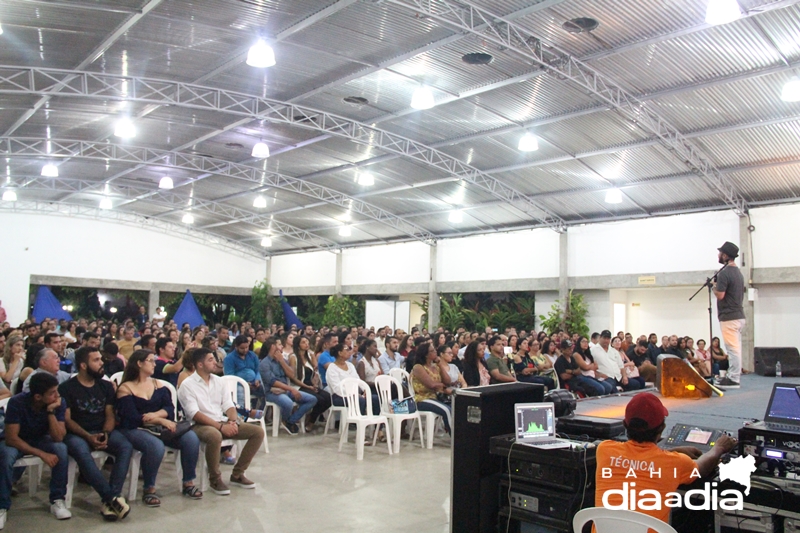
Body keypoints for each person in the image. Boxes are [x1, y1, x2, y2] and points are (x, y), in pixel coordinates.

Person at [595, 393, 737, 526]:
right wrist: (718, 448)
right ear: (661, 428)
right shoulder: (675, 463)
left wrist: (672, 451)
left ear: (625, 424)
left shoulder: (604, 450)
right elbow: (702, 468)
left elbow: (638, 459)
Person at [117, 350, 203, 505]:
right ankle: (149, 488)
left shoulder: (158, 384)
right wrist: (161, 421)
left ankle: (188, 482)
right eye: (150, 361)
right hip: (135, 429)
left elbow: (169, 408)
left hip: (159, 426)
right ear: (139, 363)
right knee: (155, 446)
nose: (154, 364)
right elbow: (132, 417)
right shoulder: (126, 388)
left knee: (190, 438)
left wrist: (156, 416)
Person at [59, 347, 132, 521]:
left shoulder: (105, 386)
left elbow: (109, 414)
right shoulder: (67, 388)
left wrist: (106, 433)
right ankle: (111, 498)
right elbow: (67, 420)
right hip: (77, 433)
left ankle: (111, 499)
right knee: (82, 452)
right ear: (83, 365)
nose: (102, 363)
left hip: (102, 430)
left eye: (101, 359)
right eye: (96, 360)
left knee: (125, 446)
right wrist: (87, 436)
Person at [179, 348, 264, 495]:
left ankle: (237, 474)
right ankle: (215, 478)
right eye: (210, 360)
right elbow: (194, 414)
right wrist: (220, 427)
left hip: (222, 420)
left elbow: (228, 405)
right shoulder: (188, 385)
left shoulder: (219, 381)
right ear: (200, 364)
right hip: (199, 425)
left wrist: (233, 422)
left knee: (257, 432)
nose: (215, 363)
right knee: (214, 435)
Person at [1, 373, 72, 523]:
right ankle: (2, 506)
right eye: (52, 393)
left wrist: (51, 412)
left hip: (41, 438)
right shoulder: (17, 402)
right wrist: (41, 454)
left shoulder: (58, 403)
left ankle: (57, 500)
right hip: (18, 439)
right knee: (6, 457)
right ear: (38, 397)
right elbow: (11, 438)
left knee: (61, 449)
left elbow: (58, 437)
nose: (57, 395)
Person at [260, 338, 316, 435]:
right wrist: (291, 389)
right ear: (273, 347)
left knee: (312, 399)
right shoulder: (264, 363)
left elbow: (292, 375)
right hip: (272, 392)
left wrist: (282, 361)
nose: (282, 346)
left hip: (285, 390)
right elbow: (273, 382)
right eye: (279, 344)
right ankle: (286, 419)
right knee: (288, 403)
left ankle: (289, 421)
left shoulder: (282, 360)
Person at [713, 241, 746, 388]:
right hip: (738, 315)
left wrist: (714, 286)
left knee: (732, 349)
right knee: (735, 348)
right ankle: (734, 376)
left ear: (725, 255)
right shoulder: (738, 272)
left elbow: (720, 295)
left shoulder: (725, 273)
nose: (719, 255)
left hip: (729, 316)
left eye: (720, 253)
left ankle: (733, 378)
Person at [325, 343, 381, 416]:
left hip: (355, 393)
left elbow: (358, 380)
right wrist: (353, 394)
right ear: (340, 353)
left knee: (375, 398)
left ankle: (375, 424)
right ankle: (356, 422)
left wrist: (365, 390)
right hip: (340, 396)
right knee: (360, 400)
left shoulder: (350, 365)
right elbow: (336, 388)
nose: (350, 352)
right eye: (347, 350)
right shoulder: (332, 368)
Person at [288, 335, 330, 427]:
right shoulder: (293, 357)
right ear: (298, 345)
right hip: (300, 386)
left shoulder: (310, 356)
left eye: (307, 342)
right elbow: (293, 378)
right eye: (303, 342)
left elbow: (315, 372)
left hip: (310, 384)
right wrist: (308, 387)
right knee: (319, 399)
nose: (306, 344)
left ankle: (311, 418)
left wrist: (314, 384)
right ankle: (309, 421)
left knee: (327, 397)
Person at [411, 342, 453, 434]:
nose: (435, 352)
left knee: (455, 407)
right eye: (432, 351)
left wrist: (440, 365)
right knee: (446, 410)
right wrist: (444, 387)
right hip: (422, 399)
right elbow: (431, 385)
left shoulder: (435, 367)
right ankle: (455, 437)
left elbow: (448, 381)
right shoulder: (418, 367)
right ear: (426, 355)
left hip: (435, 397)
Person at [223, 335, 264, 410]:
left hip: (254, 382)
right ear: (236, 346)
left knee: (265, 389)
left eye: (246, 347)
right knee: (240, 392)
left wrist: (257, 379)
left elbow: (258, 370)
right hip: (238, 384)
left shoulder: (252, 355)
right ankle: (241, 414)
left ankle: (259, 412)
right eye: (242, 348)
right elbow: (230, 376)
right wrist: (243, 383)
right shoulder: (229, 358)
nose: (245, 350)